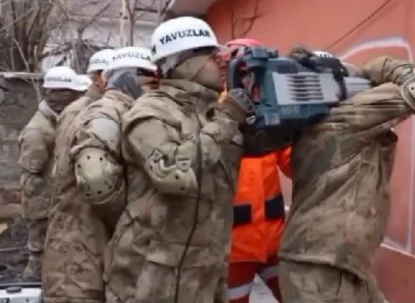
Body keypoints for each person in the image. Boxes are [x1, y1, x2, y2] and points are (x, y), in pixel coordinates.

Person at [103, 17, 254, 303]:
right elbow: (174, 175)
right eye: (211, 55)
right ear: (183, 63)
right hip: (150, 276)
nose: (222, 62)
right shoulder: (150, 112)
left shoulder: (217, 113)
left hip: (207, 272)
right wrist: (226, 121)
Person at [278, 46, 415, 303]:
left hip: (333, 262)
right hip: (321, 268)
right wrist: (378, 67)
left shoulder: (310, 126)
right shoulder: (346, 119)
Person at [42, 47, 159, 303]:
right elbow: (95, 179)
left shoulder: (102, 110)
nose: (156, 90)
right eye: (152, 81)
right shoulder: (108, 113)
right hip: (81, 262)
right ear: (131, 78)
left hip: (82, 254)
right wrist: (126, 217)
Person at [223, 38, 292, 303]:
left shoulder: (273, 116)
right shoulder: (218, 115)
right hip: (233, 250)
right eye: (244, 73)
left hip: (275, 243)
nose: (251, 81)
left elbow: (296, 167)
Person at [18, 66, 87, 281]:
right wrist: (46, 212)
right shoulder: (38, 132)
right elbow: (33, 179)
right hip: (43, 208)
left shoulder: (55, 123)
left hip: (51, 204)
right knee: (39, 255)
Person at [57, 49, 115, 130]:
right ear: (95, 79)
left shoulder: (120, 105)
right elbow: (64, 141)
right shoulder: (75, 112)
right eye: (111, 74)